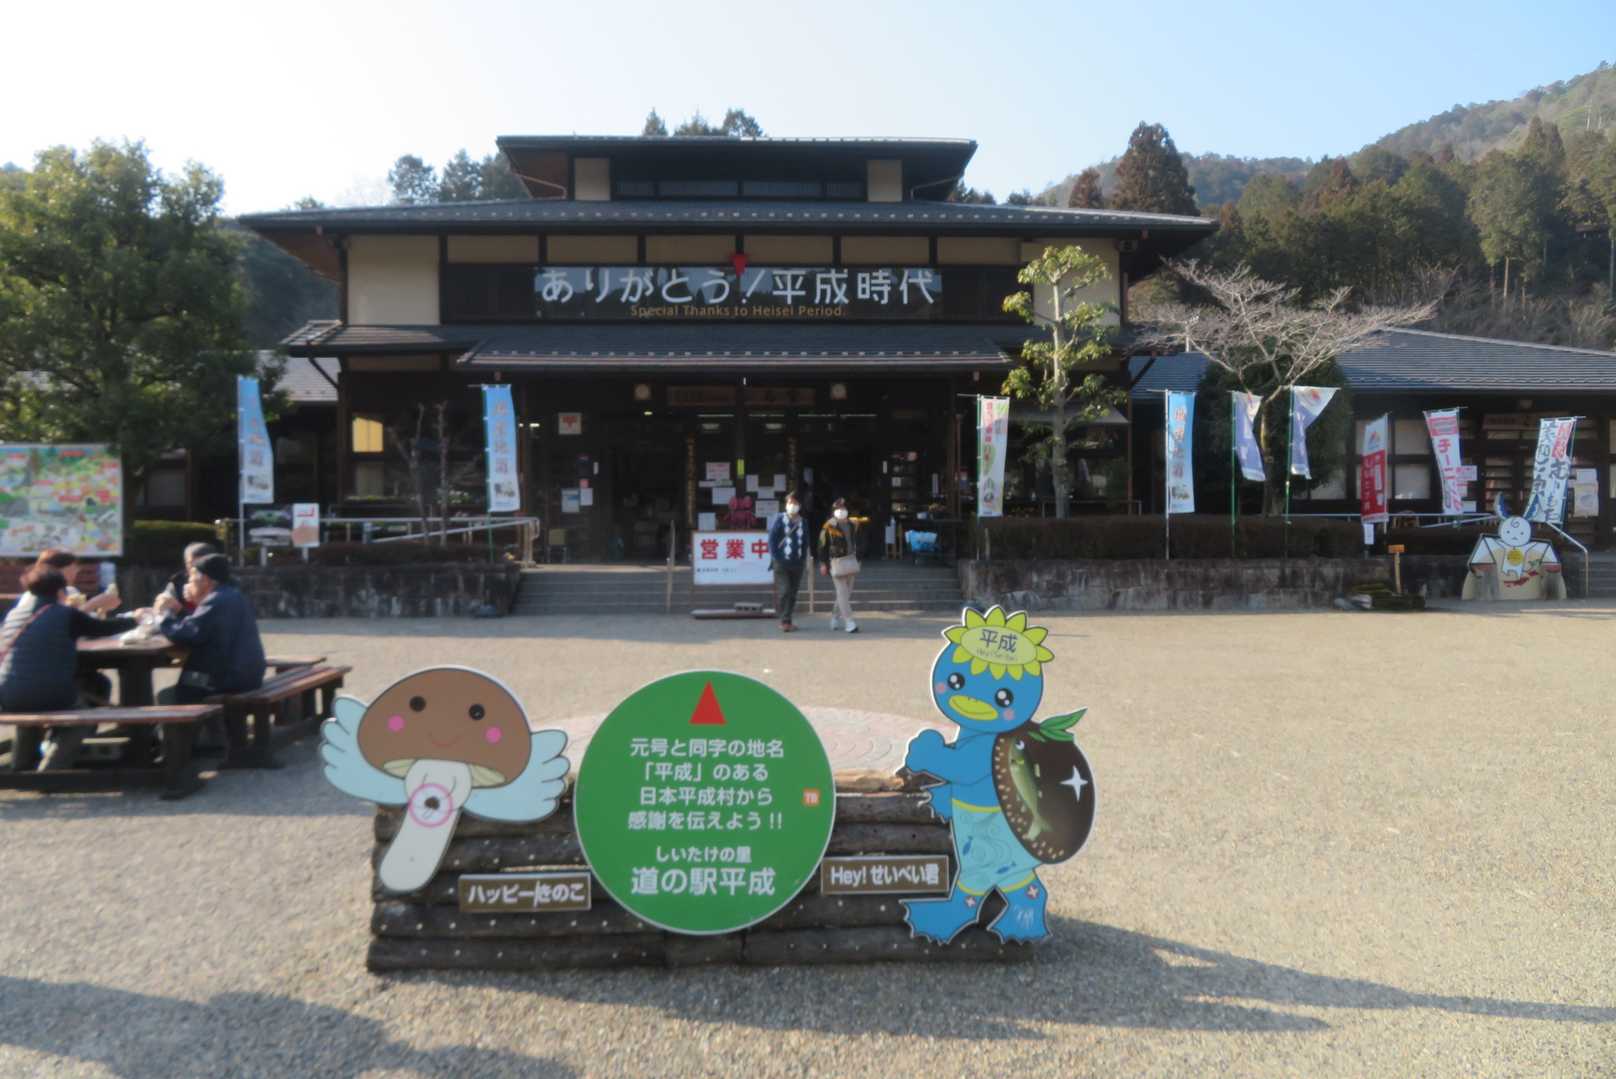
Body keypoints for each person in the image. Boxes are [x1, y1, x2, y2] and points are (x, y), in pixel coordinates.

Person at [0, 567, 137, 770]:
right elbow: (101, 628)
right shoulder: (64, 614)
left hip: (7, 695)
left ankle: (20, 766)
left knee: (29, 706)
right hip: (50, 694)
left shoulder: (14, 614)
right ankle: (51, 769)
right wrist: (136, 619)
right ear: (60, 592)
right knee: (84, 716)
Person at [151, 554, 266, 704]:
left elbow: (184, 635)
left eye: (191, 578)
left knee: (167, 696)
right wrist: (180, 610)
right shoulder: (233, 595)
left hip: (226, 681)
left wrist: (162, 615)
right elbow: (201, 626)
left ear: (205, 580)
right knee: (185, 682)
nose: (188, 583)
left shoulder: (215, 600)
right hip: (249, 677)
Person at [817, 497, 862, 633]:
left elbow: (858, 542)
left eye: (843, 508)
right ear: (834, 511)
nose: (841, 510)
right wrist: (823, 563)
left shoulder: (852, 524)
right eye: (838, 509)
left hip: (851, 560)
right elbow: (822, 546)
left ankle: (835, 616)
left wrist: (859, 557)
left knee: (846, 593)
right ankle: (849, 622)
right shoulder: (828, 526)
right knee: (842, 592)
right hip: (836, 562)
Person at [766, 491, 810, 632]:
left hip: (797, 563)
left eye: (795, 503)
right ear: (786, 505)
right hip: (781, 563)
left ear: (799, 505)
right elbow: (772, 540)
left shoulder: (803, 522)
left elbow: (805, 542)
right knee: (785, 590)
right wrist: (776, 557)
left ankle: (788, 619)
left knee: (793, 593)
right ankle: (784, 620)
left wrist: (803, 559)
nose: (792, 505)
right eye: (790, 503)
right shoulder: (779, 519)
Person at [161, 542, 218, 616]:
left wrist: (181, 610)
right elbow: (165, 607)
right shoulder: (177, 584)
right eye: (191, 565)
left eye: (201, 565)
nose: (195, 569)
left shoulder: (221, 584)